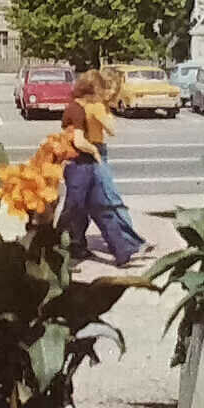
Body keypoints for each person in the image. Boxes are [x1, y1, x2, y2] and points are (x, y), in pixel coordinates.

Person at [56, 71, 144, 266]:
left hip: (81, 165)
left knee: (86, 208)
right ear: (90, 91)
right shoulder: (77, 109)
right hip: (80, 164)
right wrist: (95, 153)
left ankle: (119, 250)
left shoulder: (78, 107)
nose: (101, 95)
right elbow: (79, 141)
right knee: (78, 209)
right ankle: (65, 248)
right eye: (98, 90)